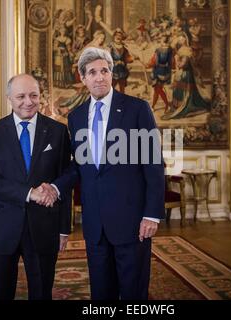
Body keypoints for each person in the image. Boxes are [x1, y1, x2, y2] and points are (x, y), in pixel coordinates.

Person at [55, 47, 165, 300]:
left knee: (132, 292)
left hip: (132, 220)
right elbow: (79, 165)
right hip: (95, 224)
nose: (99, 77)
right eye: (92, 72)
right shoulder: (76, 117)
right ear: (83, 78)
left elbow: (153, 163)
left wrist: (151, 215)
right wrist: (56, 186)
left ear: (112, 74)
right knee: (101, 292)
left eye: (104, 70)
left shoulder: (137, 108)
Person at [0, 74, 72, 300]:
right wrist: (30, 194)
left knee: (41, 293)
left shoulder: (58, 131)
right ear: (9, 98)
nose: (28, 102)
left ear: (41, 97)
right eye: (21, 96)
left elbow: (67, 175)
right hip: (3, 227)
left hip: (44, 227)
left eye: (34, 95)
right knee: (0, 293)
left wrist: (63, 228)